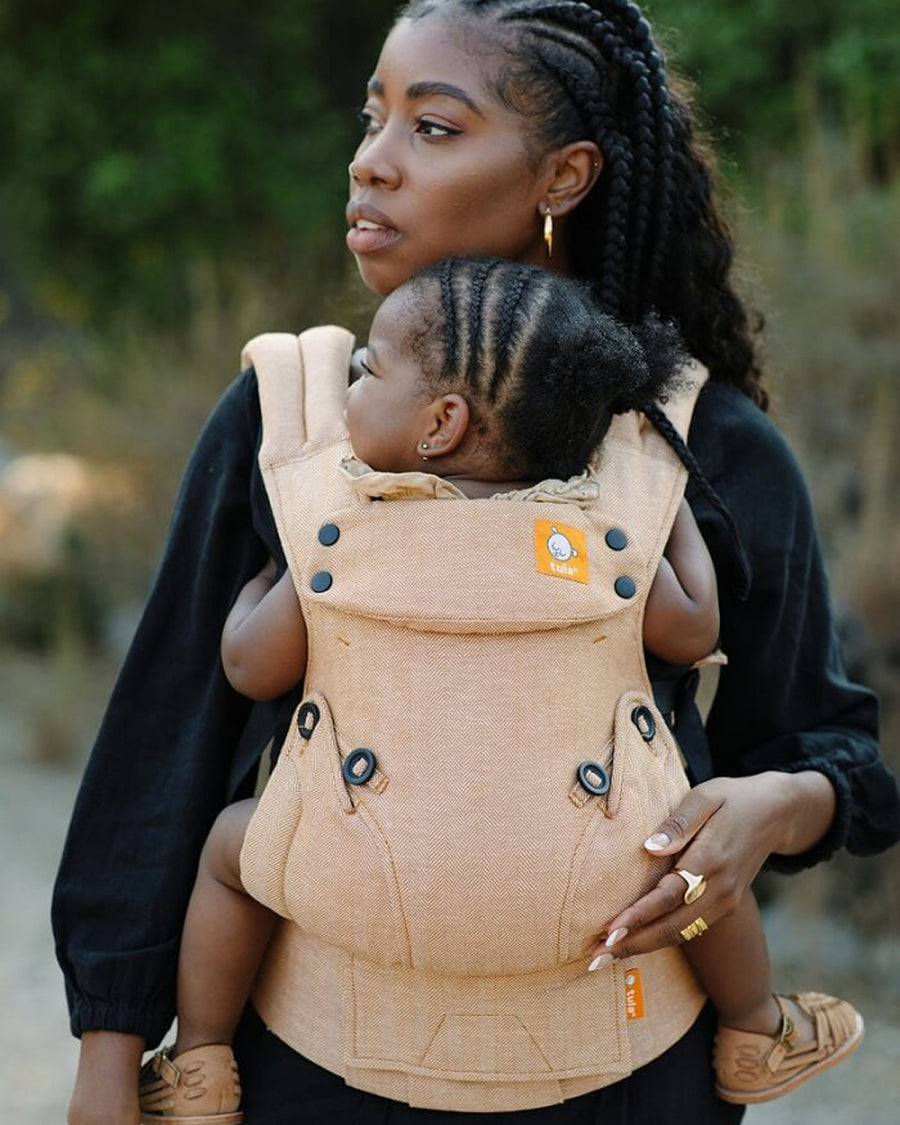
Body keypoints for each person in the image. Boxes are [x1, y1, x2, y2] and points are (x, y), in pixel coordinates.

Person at [55, 3, 900, 1124]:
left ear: (565, 176)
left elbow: (832, 751)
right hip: (315, 1074)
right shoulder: (297, 422)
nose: (371, 162)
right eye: (373, 118)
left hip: (636, 1078)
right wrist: (110, 1052)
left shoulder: (702, 442)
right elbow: (165, 741)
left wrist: (770, 808)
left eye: (434, 129)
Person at [134, 257, 863, 1125]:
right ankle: (756, 1028)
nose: (352, 386)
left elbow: (249, 665)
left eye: (368, 370)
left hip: (361, 878)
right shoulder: (603, 534)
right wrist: (671, 524)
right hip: (602, 890)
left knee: (230, 854)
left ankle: (203, 1061)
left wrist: (270, 574)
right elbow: (694, 628)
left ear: (440, 423)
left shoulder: (345, 534)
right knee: (697, 877)